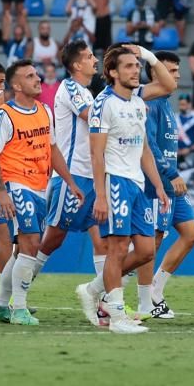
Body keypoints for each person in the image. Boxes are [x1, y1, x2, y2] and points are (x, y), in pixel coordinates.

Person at [74, 45, 175, 334]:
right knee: (117, 249)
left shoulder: (136, 101)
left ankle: (94, 289)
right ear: (112, 72)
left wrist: (158, 185)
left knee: (145, 251)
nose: (136, 70)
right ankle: (116, 316)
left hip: (138, 184)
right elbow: (97, 154)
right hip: (115, 180)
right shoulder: (104, 104)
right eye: (129, 66)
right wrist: (102, 195)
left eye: (136, 65)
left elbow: (143, 148)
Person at [0, 60, 82, 325]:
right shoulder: (4, 115)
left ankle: (1, 305)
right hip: (16, 184)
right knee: (30, 244)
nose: (38, 79)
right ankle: (19, 308)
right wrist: (1, 191)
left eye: (36, 74)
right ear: (16, 85)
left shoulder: (44, 111)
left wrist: (70, 182)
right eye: (30, 76)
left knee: (23, 251)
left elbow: (52, 150)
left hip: (41, 186)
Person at [30, 42, 107, 313]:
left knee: (103, 240)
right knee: (52, 239)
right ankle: (11, 295)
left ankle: (103, 302)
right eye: (89, 56)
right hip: (72, 175)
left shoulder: (86, 91)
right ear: (76, 65)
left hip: (92, 176)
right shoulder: (71, 88)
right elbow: (92, 117)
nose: (94, 60)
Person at [136, 51, 194, 318]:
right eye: (171, 71)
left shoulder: (167, 105)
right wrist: (171, 173)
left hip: (172, 185)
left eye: (176, 71)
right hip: (157, 184)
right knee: (152, 243)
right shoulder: (150, 105)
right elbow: (148, 146)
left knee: (191, 235)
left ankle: (155, 291)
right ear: (155, 75)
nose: (176, 77)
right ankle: (134, 297)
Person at [176, 93, 194, 164]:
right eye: (180, 104)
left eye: (183, 104)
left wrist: (189, 149)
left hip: (190, 154)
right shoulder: (175, 117)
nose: (181, 107)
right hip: (176, 154)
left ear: (189, 104)